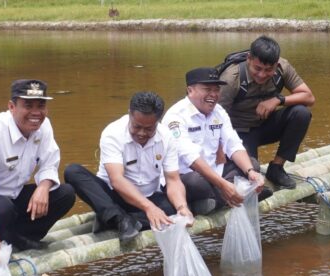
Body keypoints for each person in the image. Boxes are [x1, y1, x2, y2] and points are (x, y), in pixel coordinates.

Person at [0, 79, 76, 264]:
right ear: (12, 107)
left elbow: (50, 162)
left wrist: (43, 187)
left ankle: (18, 237)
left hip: (11, 197)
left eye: (41, 106)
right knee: (3, 207)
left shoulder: (44, 126)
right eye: (28, 105)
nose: (36, 113)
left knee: (65, 194)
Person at [64, 91, 194, 243]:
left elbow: (173, 180)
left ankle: (115, 219)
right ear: (130, 114)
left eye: (149, 129)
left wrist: (182, 207)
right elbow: (116, 180)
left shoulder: (167, 137)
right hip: (114, 196)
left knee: (172, 213)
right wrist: (149, 208)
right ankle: (119, 218)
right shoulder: (112, 133)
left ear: (158, 122)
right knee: (73, 172)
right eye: (137, 126)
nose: (141, 133)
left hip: (149, 195)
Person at [162, 67, 268, 215]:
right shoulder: (176, 116)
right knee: (195, 182)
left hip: (215, 172)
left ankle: (214, 201)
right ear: (190, 90)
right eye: (207, 89)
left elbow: (233, 144)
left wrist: (250, 172)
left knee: (252, 164)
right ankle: (235, 196)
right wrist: (223, 185)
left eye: (216, 89)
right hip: (188, 175)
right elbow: (191, 158)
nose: (213, 94)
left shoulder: (219, 111)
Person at [218, 35, 315, 189]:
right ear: (249, 59)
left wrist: (278, 100)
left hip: (265, 125)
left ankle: (276, 168)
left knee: (301, 113)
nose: (262, 75)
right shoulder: (231, 78)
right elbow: (215, 119)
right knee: (251, 171)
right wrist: (220, 151)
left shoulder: (283, 67)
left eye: (269, 70)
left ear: (276, 64)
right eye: (257, 68)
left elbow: (309, 97)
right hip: (240, 132)